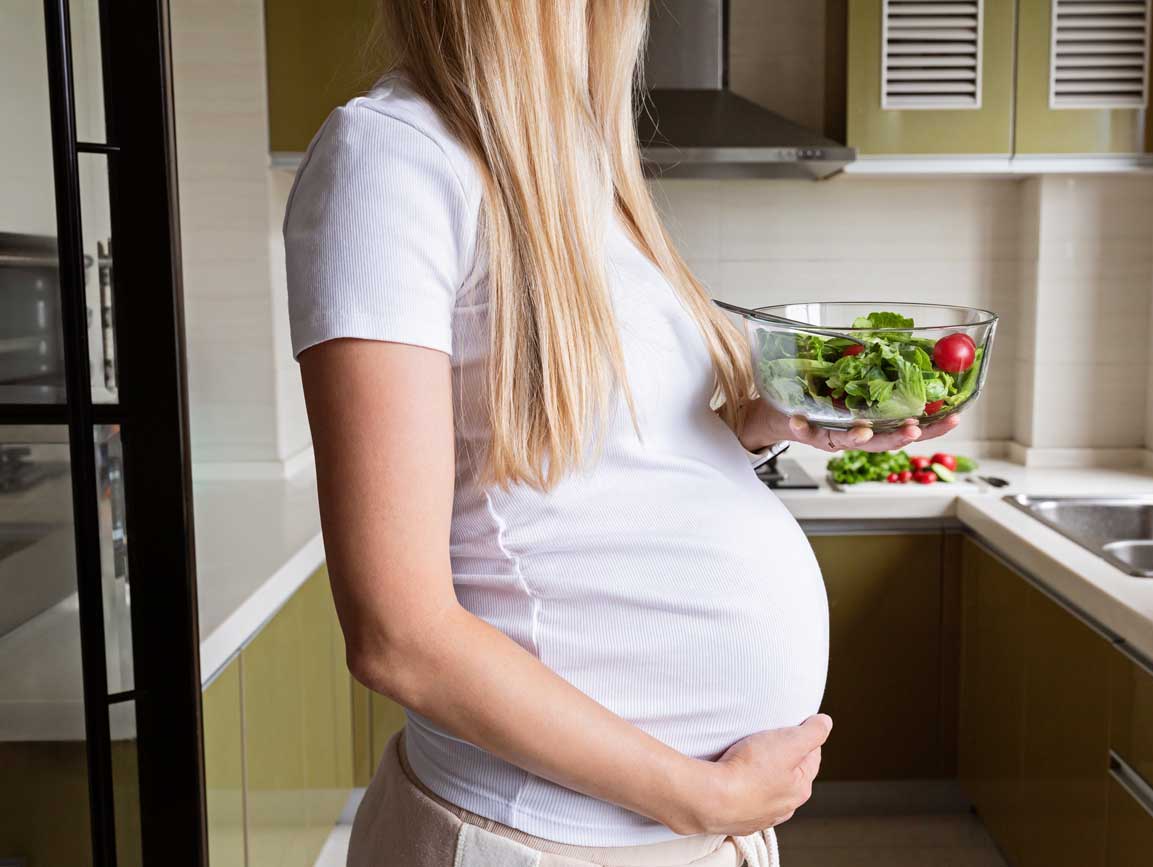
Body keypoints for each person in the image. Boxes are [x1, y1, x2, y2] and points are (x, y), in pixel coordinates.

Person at [284, 2, 959, 865]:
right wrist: (700, 795)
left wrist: (752, 428)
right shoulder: (390, 157)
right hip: (539, 840)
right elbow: (397, 634)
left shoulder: (575, 172)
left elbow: (589, 469)